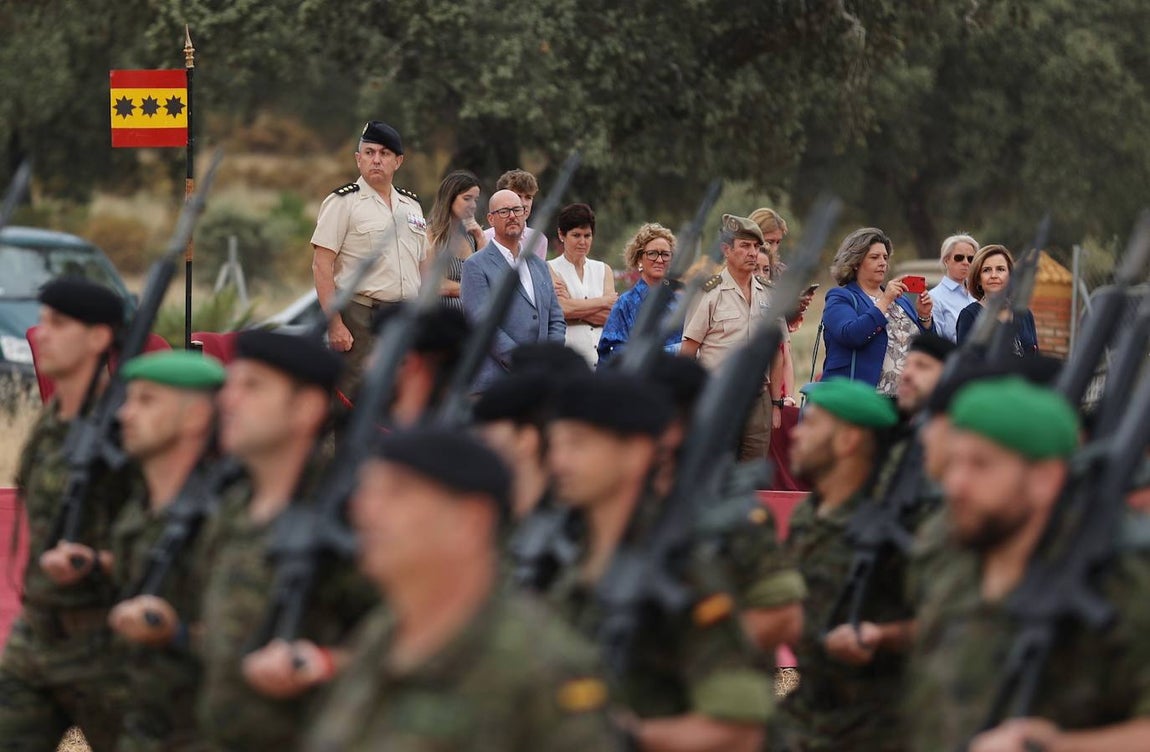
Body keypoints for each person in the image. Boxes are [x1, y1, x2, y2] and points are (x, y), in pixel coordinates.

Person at [130, 331, 377, 749]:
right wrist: (174, 632)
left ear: (306, 408)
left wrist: (324, 664)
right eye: (232, 384)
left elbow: (419, 653)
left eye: (253, 387)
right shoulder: (229, 506)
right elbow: (223, 635)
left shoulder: (351, 520)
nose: (229, 400)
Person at [302, 428, 621, 751]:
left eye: (397, 492)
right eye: (368, 491)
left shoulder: (540, 667)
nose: (364, 510)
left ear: (470, 522)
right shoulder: (380, 637)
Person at [906, 377, 1150, 751]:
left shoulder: (1119, 586)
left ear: (1044, 480)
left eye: (981, 465)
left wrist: (1059, 747)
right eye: (954, 462)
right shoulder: (953, 558)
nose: (956, 484)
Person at [544, 373, 774, 751]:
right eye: (556, 445)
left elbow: (738, 732)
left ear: (636, 453)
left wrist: (626, 736)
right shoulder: (575, 553)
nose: (560, 462)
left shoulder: (677, 568)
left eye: (578, 444)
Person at [0, 277, 133, 752]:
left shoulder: (131, 430)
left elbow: (166, 539)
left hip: (107, 642)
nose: (42, 334)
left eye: (59, 323)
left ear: (98, 337)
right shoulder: (52, 423)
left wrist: (98, 563)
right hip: (39, 633)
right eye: (42, 321)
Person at [775, 378, 910, 751]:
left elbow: (943, 623)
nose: (797, 434)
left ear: (848, 441)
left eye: (813, 424)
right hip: (808, 714)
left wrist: (881, 635)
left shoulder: (894, 527)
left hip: (873, 730)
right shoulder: (808, 513)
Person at [105, 350, 226, 751]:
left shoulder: (221, 518)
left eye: (147, 401)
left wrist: (174, 634)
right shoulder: (138, 507)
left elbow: (248, 643)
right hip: (143, 723)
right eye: (128, 400)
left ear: (195, 418)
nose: (125, 414)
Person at [311, 120, 427, 397]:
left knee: (401, 395)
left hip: (404, 317)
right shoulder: (343, 202)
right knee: (354, 394)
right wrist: (335, 324)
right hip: (361, 316)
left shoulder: (412, 206)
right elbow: (321, 264)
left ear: (398, 161)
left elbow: (422, 265)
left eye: (384, 154)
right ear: (358, 159)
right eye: (369, 152)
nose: (376, 160)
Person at [682, 213, 786, 462]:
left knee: (751, 472)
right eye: (745, 246)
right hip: (717, 394)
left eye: (756, 247)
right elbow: (688, 350)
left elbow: (776, 353)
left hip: (758, 397)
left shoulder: (769, 294)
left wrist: (776, 404)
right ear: (726, 250)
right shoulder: (709, 292)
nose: (752, 253)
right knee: (716, 469)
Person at [461, 189, 566, 392]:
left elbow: (556, 319)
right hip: (496, 384)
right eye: (504, 211)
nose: (512, 216)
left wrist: (550, 357)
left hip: (541, 381)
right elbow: (482, 324)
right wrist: (524, 362)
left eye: (517, 210)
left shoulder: (540, 266)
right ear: (491, 219)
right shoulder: (475, 265)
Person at [820, 227, 936, 396]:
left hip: (904, 398)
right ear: (855, 263)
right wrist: (885, 300)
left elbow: (925, 348)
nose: (883, 263)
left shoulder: (901, 299)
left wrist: (924, 317)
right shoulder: (840, 297)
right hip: (861, 398)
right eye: (874, 257)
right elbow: (851, 335)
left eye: (885, 257)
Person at [596, 222, 680, 366]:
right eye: (652, 254)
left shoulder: (680, 303)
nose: (660, 260)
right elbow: (611, 353)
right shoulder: (624, 304)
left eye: (665, 254)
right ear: (639, 258)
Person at [548, 203, 617, 366]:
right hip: (568, 362)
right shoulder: (549, 268)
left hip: (603, 360)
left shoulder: (604, 269)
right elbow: (561, 309)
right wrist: (603, 301)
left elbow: (611, 316)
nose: (582, 242)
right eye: (576, 235)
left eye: (587, 236)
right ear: (561, 234)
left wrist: (573, 310)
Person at [955, 244, 1039, 354]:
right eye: (986, 270)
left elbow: (1035, 357)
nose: (994, 275)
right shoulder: (969, 315)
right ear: (978, 279)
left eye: (1000, 269)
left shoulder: (1025, 314)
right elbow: (965, 360)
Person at [426, 169, 484, 313]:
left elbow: (488, 277)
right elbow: (434, 284)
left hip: (473, 319)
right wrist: (474, 289)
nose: (473, 205)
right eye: (467, 198)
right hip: (443, 316)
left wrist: (480, 238)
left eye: (475, 200)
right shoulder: (431, 234)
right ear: (449, 198)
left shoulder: (472, 236)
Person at [483, 168, 546, 259]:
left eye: (528, 197)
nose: (524, 203)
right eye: (518, 196)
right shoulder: (485, 238)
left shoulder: (539, 239)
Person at [928, 233, 979, 342]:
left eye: (971, 259)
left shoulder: (979, 293)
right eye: (959, 258)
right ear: (946, 260)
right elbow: (936, 338)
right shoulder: (935, 297)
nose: (966, 262)